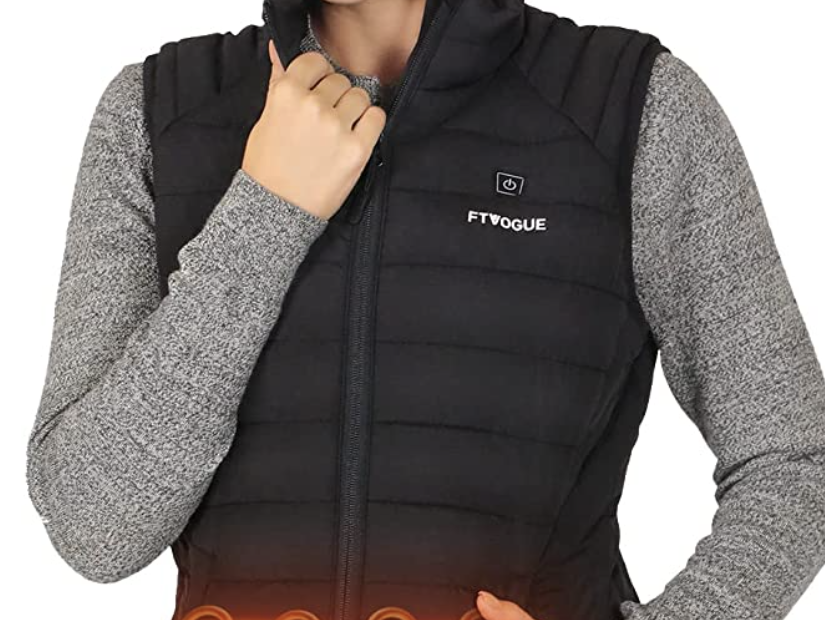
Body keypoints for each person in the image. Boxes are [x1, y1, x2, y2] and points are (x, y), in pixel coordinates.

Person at [25, 1, 825, 620]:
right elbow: (94, 529)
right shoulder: (158, 115)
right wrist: (267, 208)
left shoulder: (625, 108)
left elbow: (794, 459)